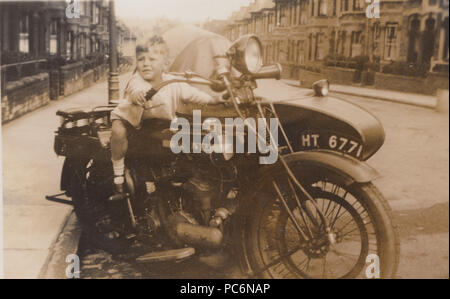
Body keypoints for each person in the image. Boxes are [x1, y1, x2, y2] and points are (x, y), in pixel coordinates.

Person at [110, 35, 222, 194]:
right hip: (129, 120)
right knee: (118, 131)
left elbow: (194, 94)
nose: (146, 63)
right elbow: (135, 89)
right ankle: (118, 174)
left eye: (152, 59)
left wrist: (214, 100)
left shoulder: (173, 82)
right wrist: (139, 95)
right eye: (141, 59)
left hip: (158, 124)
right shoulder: (138, 80)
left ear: (165, 64)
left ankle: (179, 180)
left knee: (186, 139)